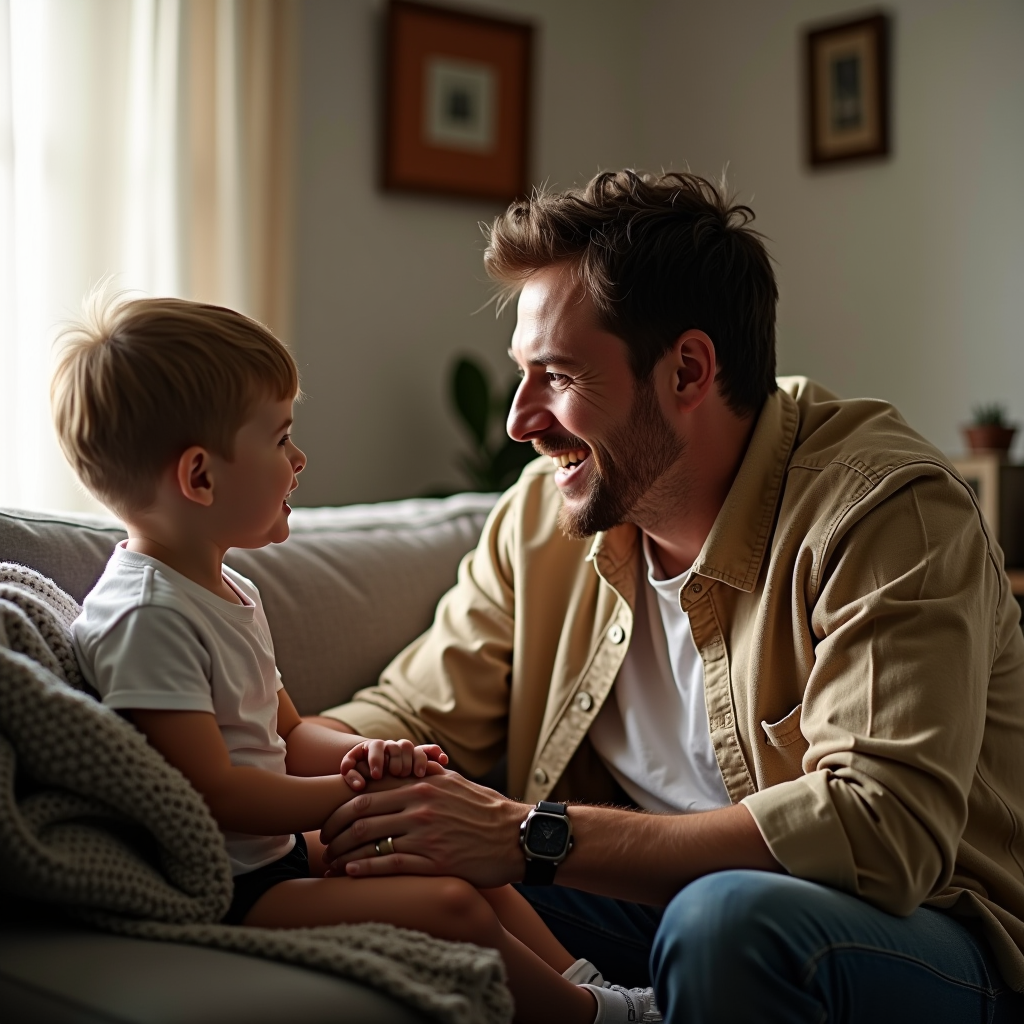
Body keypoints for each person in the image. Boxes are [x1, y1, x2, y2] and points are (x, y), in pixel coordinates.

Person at [313, 170, 1024, 1023]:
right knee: (374, 852)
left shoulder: (884, 512)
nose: (518, 422)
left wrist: (522, 835)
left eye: (559, 377)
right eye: (521, 375)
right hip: (648, 914)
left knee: (721, 923)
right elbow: (416, 714)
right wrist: (249, 755)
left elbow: (881, 831)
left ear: (688, 369)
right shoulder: (545, 519)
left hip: (920, 936)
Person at [51, 295, 662, 1024]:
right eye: (280, 439)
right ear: (200, 478)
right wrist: (347, 795)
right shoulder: (148, 616)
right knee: (446, 905)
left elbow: (290, 735)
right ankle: (589, 1017)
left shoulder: (224, 589)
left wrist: (374, 757)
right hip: (226, 888)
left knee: (444, 856)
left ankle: (598, 988)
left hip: (269, 859)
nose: (299, 459)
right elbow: (214, 792)